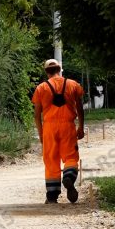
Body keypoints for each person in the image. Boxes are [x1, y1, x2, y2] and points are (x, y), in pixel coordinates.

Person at [32, 59, 85, 204]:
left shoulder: (41, 88)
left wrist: (41, 133)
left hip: (49, 128)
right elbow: (80, 109)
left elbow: (37, 115)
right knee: (71, 157)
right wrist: (80, 126)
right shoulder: (73, 84)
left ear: (46, 71)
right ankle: (68, 177)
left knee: (51, 161)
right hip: (68, 126)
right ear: (60, 69)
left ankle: (52, 196)